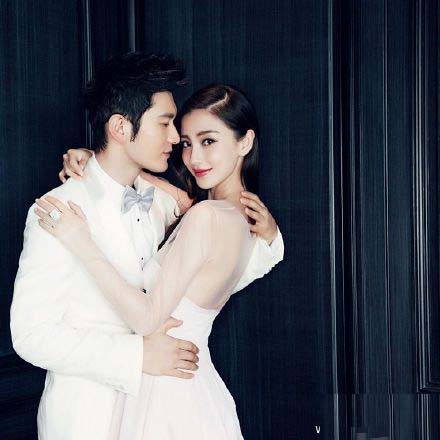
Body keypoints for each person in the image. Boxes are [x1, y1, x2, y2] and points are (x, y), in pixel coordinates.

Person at [10, 53, 283, 440]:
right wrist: (135, 357)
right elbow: (31, 336)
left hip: (165, 409)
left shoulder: (166, 205)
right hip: (86, 419)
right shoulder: (58, 211)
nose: (174, 140)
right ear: (121, 128)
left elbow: (212, 278)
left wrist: (269, 240)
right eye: (166, 124)